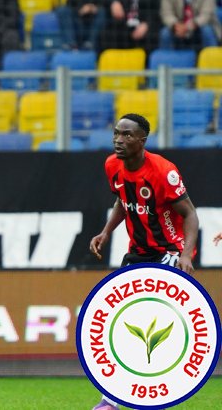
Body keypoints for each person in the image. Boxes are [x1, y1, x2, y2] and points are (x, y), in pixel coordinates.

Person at [87, 113, 200, 410]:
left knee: (151, 319)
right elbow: (123, 201)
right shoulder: (112, 165)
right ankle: (111, 400)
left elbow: (190, 214)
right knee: (121, 323)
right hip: (137, 252)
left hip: (169, 250)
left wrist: (186, 254)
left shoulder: (163, 171)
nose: (119, 140)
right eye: (116, 134)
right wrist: (106, 231)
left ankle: (157, 392)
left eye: (126, 135)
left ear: (142, 140)